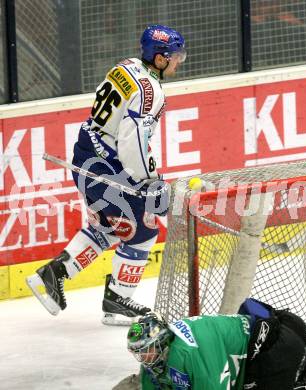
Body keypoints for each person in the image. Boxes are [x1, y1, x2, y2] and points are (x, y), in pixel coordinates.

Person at [26, 24, 186, 325]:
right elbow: (131, 143)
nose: (179, 61)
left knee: (111, 227)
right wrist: (149, 181)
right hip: (109, 167)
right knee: (145, 229)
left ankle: (51, 275)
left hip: (87, 153)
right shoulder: (151, 92)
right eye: (175, 56)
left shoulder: (125, 66)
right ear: (161, 58)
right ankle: (117, 300)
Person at [125, 299, 306, 390]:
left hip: (279, 347)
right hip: (264, 345)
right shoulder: (160, 357)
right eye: (139, 352)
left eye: (147, 350)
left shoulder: (190, 353)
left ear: (161, 341)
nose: (144, 358)